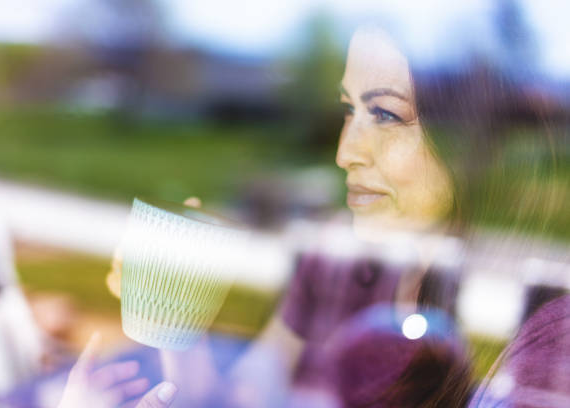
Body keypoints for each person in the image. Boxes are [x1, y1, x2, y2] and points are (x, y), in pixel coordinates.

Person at [103, 21, 564, 408]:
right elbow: (245, 393)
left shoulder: (531, 315)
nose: (345, 152)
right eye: (349, 110)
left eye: (384, 115)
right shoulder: (331, 256)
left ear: (454, 140)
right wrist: (175, 325)